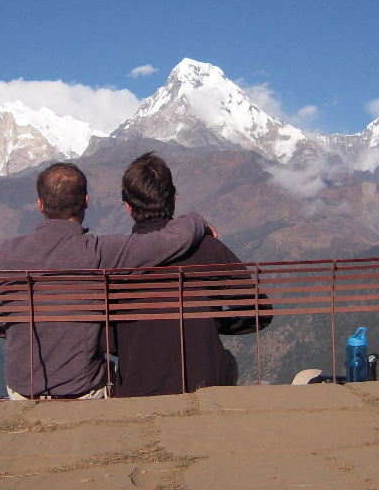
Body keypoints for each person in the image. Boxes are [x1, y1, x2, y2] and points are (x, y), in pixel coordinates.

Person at [0, 162, 213, 400]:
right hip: (83, 393)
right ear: (86, 202)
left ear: (40, 205)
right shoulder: (97, 252)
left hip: (21, 392)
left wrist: (23, 327)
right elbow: (170, 241)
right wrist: (196, 219)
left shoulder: (6, 252)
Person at [114, 152, 272, 397]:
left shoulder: (116, 259)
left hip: (137, 391)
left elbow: (107, 338)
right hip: (205, 386)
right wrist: (209, 321)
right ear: (174, 198)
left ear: (128, 207)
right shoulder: (210, 248)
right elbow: (259, 313)